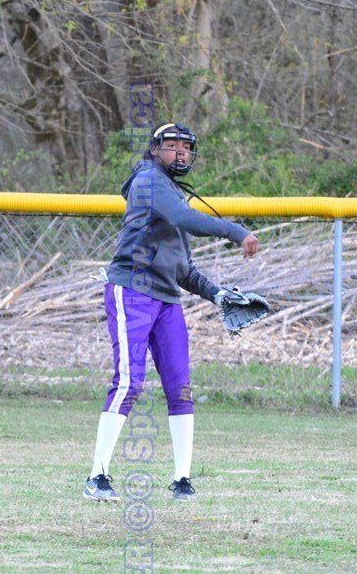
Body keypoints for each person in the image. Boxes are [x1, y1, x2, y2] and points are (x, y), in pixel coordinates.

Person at [84, 121, 259, 502]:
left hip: (166, 300)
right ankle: (97, 476)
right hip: (132, 290)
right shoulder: (149, 181)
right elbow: (186, 221)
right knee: (129, 383)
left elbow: (184, 270)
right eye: (172, 145)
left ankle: (182, 479)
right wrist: (236, 232)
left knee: (180, 387)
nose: (180, 152)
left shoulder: (173, 194)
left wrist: (218, 296)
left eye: (186, 147)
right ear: (154, 149)